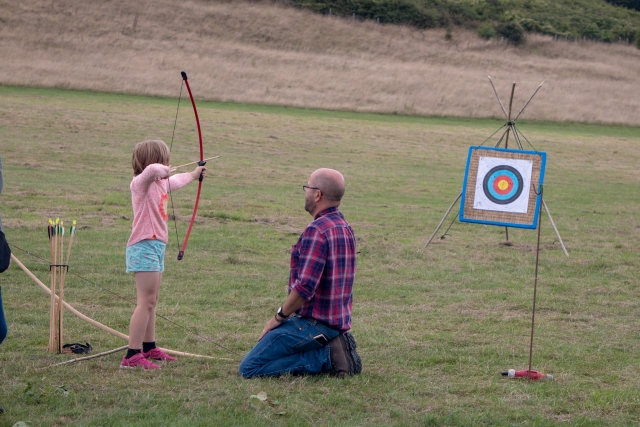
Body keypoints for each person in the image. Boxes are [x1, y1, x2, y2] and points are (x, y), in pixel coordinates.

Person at [239, 168, 362, 378]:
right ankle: (334, 346)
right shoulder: (344, 227)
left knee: (250, 367)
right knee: (268, 354)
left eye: (307, 187)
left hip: (313, 324)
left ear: (317, 194)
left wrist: (278, 318)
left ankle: (328, 357)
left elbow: (305, 288)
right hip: (336, 324)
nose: (305, 192)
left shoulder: (317, 230)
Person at [121, 140, 207, 369]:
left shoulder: (160, 183)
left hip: (156, 247)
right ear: (155, 161)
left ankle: (149, 347)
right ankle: (132, 355)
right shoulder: (140, 183)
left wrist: (194, 174)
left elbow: (176, 180)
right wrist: (164, 168)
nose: (168, 165)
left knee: (152, 301)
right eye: (165, 159)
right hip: (143, 246)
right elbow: (152, 171)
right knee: (145, 301)